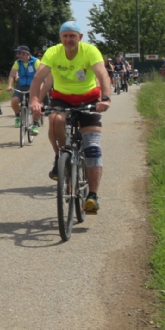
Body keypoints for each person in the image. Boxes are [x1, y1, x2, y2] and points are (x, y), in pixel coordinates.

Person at [29, 22, 111, 213]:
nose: (68, 40)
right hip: (62, 99)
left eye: (72, 36)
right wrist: (35, 100)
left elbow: (102, 74)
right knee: (55, 120)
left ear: (80, 37)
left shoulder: (90, 51)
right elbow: (39, 78)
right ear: (60, 38)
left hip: (89, 98)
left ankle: (92, 196)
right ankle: (61, 156)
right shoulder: (53, 52)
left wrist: (105, 99)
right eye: (65, 36)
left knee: (92, 149)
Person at [7, 45, 39, 134]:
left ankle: (35, 125)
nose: (17, 55)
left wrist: (40, 86)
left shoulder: (36, 62)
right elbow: (11, 75)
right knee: (14, 100)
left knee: (35, 105)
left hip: (33, 86)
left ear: (25, 53)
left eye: (19, 53)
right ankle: (18, 116)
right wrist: (9, 85)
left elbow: (40, 75)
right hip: (21, 86)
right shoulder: (17, 62)